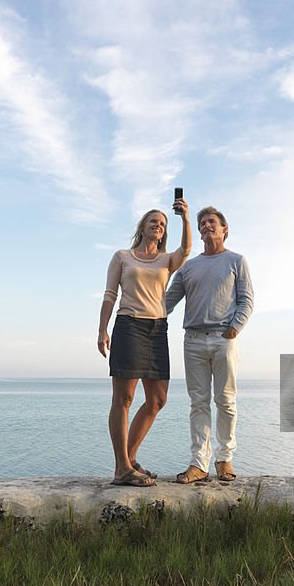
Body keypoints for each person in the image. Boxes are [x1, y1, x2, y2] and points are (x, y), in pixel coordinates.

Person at [98, 199, 191, 486]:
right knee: (123, 399)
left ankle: (129, 459)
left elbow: (186, 249)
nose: (158, 225)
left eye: (162, 224)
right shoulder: (122, 256)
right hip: (128, 326)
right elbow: (110, 295)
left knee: (157, 399)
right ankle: (121, 469)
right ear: (143, 226)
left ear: (164, 233)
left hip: (157, 329)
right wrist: (102, 330)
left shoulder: (167, 260)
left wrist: (184, 217)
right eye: (154, 221)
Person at [165, 206, 254, 484]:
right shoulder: (189, 266)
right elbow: (166, 302)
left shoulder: (236, 260)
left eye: (211, 222)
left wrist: (234, 327)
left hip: (223, 338)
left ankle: (225, 459)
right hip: (192, 340)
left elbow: (247, 299)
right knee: (198, 403)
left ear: (224, 228)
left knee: (225, 401)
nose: (206, 225)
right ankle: (199, 464)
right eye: (202, 222)